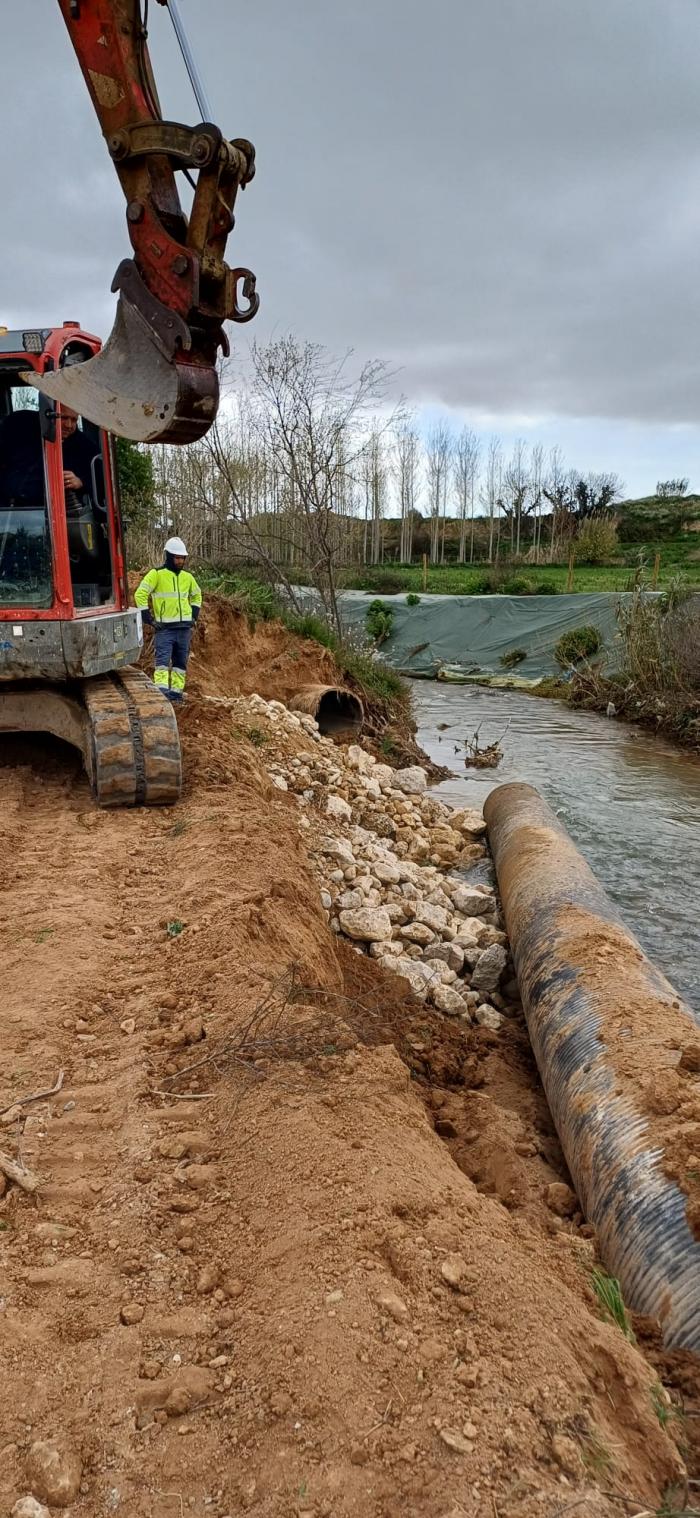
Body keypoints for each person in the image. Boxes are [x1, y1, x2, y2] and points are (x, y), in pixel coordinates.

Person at [134, 537, 202, 703]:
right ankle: (162, 696)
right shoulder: (156, 574)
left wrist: (193, 616)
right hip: (165, 629)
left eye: (182, 558)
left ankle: (176, 695)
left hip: (184, 629)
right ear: (169, 556)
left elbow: (197, 595)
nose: (180, 561)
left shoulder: (188, 577)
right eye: (177, 558)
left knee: (180, 664)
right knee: (162, 664)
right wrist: (148, 618)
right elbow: (140, 594)